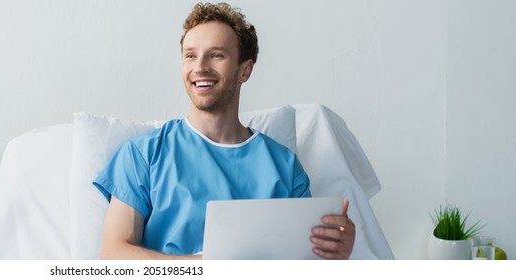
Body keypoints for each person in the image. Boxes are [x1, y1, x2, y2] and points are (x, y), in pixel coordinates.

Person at [92, 2, 355, 260]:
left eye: (216, 55)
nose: (200, 67)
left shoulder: (285, 168)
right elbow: (115, 254)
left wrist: (334, 254)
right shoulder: (143, 155)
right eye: (191, 55)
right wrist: (208, 268)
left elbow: (303, 262)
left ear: (245, 70)